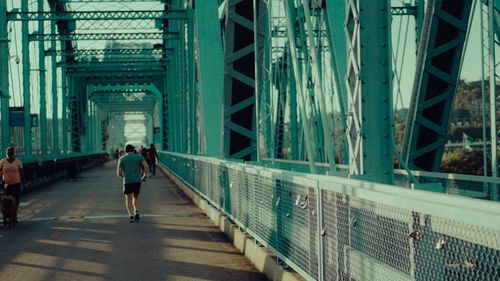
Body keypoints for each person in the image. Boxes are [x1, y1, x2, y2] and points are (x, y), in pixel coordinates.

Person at [117, 144, 148, 222]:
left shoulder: (122, 158)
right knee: (136, 197)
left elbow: (119, 173)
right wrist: (144, 175)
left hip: (127, 181)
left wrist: (123, 178)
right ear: (133, 150)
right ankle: (136, 211)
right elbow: (146, 166)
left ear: (125, 150)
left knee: (128, 198)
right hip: (137, 180)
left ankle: (131, 215)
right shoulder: (139, 157)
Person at [0, 146, 24, 211]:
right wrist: (1, 180)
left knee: (16, 198)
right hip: (7, 184)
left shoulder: (18, 162)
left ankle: (14, 213)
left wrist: (22, 183)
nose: (9, 155)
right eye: (7, 153)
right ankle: (8, 213)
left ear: (13, 153)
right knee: (7, 200)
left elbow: (21, 172)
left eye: (10, 153)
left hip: (16, 183)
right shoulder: (3, 162)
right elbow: (0, 172)